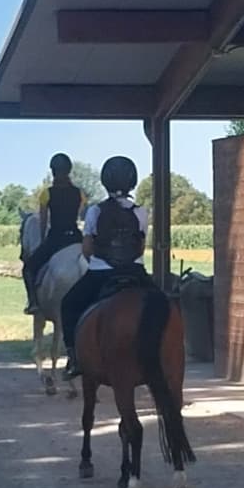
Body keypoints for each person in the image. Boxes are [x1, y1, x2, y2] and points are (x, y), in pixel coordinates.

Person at [60, 156, 149, 379]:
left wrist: (98, 260)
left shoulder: (95, 212)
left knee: (69, 305)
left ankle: (74, 358)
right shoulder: (141, 212)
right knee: (164, 304)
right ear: (132, 181)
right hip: (135, 272)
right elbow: (140, 247)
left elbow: (88, 247)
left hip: (100, 273)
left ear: (105, 181)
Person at [20, 154, 87, 315]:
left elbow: (43, 221)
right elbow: (78, 214)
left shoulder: (46, 194)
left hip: (56, 238)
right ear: (69, 170)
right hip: (76, 237)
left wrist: (43, 241)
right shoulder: (80, 194)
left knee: (28, 268)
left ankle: (33, 302)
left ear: (53, 171)